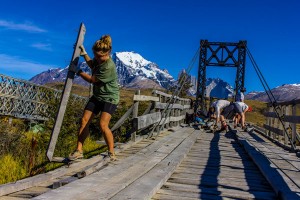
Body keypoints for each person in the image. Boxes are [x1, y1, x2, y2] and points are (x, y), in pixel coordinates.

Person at [68, 35, 119, 161]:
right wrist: (84, 54)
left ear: (108, 52)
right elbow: (93, 65)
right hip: (97, 96)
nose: (98, 59)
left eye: (100, 56)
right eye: (96, 55)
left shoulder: (109, 66)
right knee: (84, 121)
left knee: (103, 125)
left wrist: (78, 72)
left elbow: (92, 80)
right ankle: (79, 150)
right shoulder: (99, 60)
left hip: (109, 98)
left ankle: (111, 152)